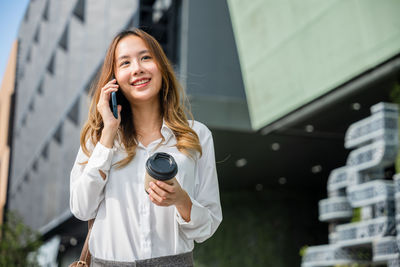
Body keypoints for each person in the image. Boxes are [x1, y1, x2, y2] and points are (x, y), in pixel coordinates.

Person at [69, 28, 222, 267]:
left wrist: (181, 200)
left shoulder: (196, 136)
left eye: (146, 57)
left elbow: (208, 225)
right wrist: (108, 134)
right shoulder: (98, 138)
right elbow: (81, 207)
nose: (137, 68)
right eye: (125, 62)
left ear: (161, 67)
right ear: (114, 79)